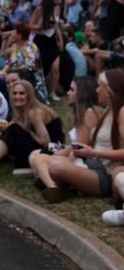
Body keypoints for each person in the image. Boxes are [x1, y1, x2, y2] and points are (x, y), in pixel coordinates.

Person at [36, 69, 124, 203]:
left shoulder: (121, 112)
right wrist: (85, 150)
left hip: (107, 173)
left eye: (100, 86)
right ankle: (55, 186)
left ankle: (57, 186)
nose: (97, 90)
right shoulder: (107, 110)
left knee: (55, 167)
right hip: (93, 164)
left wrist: (94, 153)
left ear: (108, 90)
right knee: (42, 159)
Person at [0, 80, 64, 179]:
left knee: (13, 129)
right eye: (14, 93)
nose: (17, 97)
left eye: (22, 93)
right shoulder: (22, 110)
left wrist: (28, 130)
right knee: (11, 129)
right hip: (36, 147)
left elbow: (46, 142)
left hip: (52, 150)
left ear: (29, 96)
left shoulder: (33, 111)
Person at [29, 76, 101, 186]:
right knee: (34, 154)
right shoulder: (81, 112)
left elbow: (78, 146)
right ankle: (47, 178)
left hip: (86, 159)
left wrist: (57, 155)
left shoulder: (90, 113)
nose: (68, 93)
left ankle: (49, 181)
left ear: (82, 93)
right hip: (74, 154)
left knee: (38, 158)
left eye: (72, 90)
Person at [30, 0, 64, 100]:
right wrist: (42, 27)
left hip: (52, 40)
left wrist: (60, 40)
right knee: (41, 69)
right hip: (40, 41)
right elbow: (30, 25)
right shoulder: (40, 9)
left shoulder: (58, 8)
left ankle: (52, 92)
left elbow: (56, 26)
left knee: (55, 68)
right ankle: (37, 92)